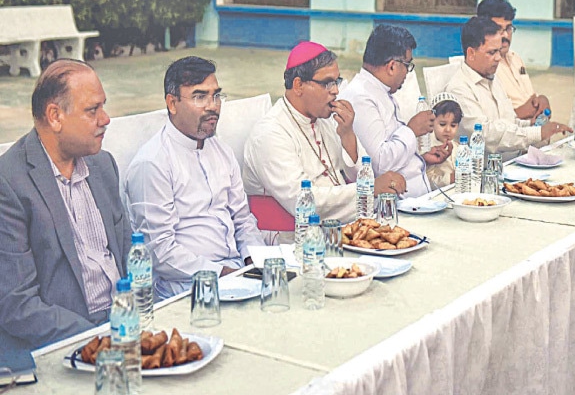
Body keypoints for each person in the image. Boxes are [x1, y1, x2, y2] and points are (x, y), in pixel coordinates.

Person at [0, 59, 131, 350]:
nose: (105, 119)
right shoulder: (9, 183)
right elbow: (17, 304)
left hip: (125, 325)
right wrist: (97, 339)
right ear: (55, 116)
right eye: (92, 110)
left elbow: (129, 257)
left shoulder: (103, 165)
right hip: (66, 342)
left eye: (103, 107)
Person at [125, 56, 264, 300]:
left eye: (216, 95)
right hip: (187, 288)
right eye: (200, 97)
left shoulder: (221, 150)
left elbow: (242, 220)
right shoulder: (153, 163)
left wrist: (258, 264)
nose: (213, 105)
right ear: (172, 103)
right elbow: (159, 252)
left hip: (238, 275)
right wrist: (225, 273)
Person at [243, 41, 406, 223]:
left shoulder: (326, 120)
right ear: (298, 86)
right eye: (327, 83)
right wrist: (368, 189)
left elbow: (363, 175)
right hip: (292, 239)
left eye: (336, 81)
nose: (336, 91)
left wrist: (347, 135)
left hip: (344, 225)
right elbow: (301, 202)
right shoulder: (270, 133)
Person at [340, 25, 449, 198]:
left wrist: (421, 157)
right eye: (407, 65)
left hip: (417, 195)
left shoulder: (380, 90)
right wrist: (412, 130)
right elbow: (380, 164)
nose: (407, 72)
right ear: (392, 66)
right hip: (396, 206)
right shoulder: (361, 98)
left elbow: (392, 145)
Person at [445, 17, 571, 158]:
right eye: (492, 52)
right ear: (471, 53)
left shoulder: (492, 78)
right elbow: (486, 134)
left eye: (499, 51)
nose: (498, 58)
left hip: (514, 161)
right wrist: (537, 133)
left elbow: (508, 123)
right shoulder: (459, 89)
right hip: (485, 171)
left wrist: (532, 124)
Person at [477, 0, 551, 121]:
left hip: (535, 132)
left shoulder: (515, 58)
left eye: (508, 28)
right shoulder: (483, 66)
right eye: (498, 29)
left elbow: (529, 98)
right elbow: (488, 122)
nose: (505, 35)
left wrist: (542, 100)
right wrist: (520, 113)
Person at [425, 92, 460, 187]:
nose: (448, 130)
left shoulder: (459, 147)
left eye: (453, 125)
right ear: (432, 122)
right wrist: (449, 179)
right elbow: (427, 180)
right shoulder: (428, 149)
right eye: (442, 124)